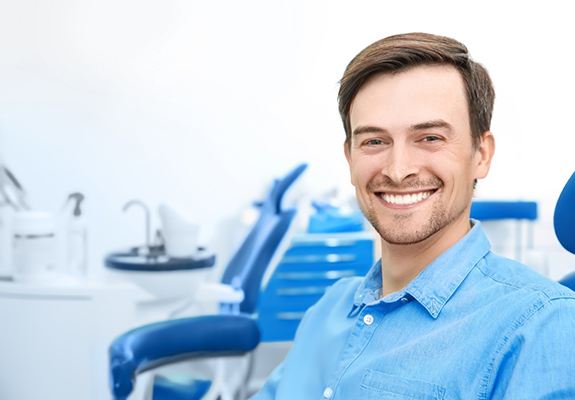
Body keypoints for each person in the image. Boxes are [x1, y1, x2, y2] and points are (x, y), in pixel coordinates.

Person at [251, 32, 575, 399]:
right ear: (350, 157)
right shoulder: (327, 309)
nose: (398, 169)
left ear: (481, 154)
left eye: (430, 138)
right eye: (374, 141)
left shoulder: (543, 325)